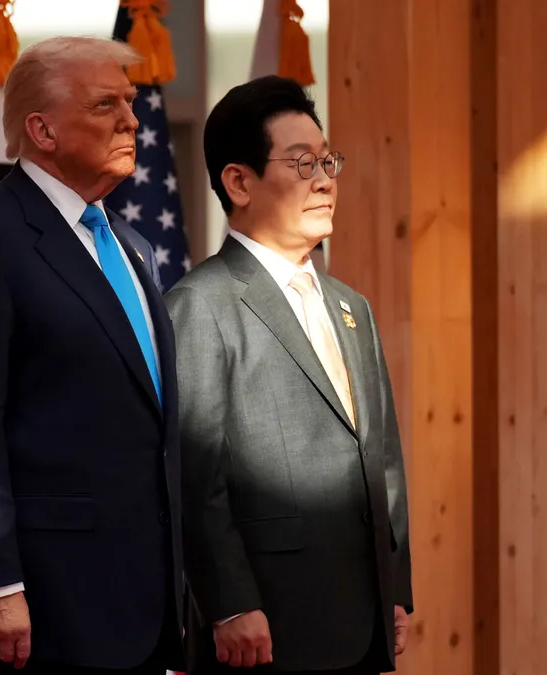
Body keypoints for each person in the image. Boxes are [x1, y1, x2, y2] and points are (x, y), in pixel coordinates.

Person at [0, 36, 185, 675]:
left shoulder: (134, 247)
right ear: (42, 129)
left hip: (139, 605)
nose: (131, 120)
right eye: (106, 103)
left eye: (131, 102)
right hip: (35, 609)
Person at [164, 75, 414, 675]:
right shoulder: (201, 304)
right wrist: (227, 605)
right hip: (265, 628)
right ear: (239, 181)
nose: (326, 179)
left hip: (362, 622)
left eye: (329, 161)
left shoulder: (353, 307)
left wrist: (396, 586)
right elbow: (197, 477)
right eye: (302, 164)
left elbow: (382, 460)